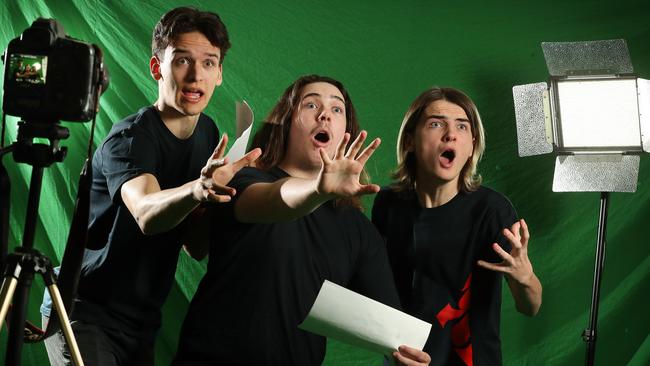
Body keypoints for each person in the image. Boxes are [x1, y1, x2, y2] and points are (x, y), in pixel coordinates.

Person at [40, 7, 260, 365]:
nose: (195, 76)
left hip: (142, 321)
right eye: (182, 60)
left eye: (208, 63)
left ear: (220, 74)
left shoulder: (207, 136)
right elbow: (146, 212)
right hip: (85, 312)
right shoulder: (130, 138)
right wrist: (198, 190)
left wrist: (223, 200)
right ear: (157, 67)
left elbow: (195, 246)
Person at [173, 75, 431, 366]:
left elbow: (394, 335)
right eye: (310, 105)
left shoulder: (358, 229)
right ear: (286, 121)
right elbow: (276, 199)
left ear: (346, 129)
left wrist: (408, 356)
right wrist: (318, 190)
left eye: (337, 109)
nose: (325, 115)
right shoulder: (245, 181)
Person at [372, 87, 542, 366]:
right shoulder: (388, 204)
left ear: (472, 144)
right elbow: (378, 294)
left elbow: (530, 306)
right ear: (411, 140)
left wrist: (525, 277)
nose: (450, 134)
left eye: (462, 126)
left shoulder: (492, 211)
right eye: (436, 123)